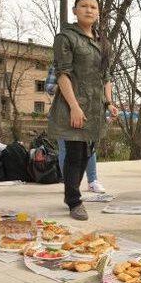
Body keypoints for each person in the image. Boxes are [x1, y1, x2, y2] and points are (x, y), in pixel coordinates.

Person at [47, 0, 118, 220]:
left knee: (87, 151)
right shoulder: (66, 37)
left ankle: (72, 194)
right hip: (74, 103)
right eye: (84, 6)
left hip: (96, 107)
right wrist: (74, 107)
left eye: (93, 7)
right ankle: (74, 201)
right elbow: (62, 74)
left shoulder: (102, 42)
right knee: (74, 152)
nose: (89, 10)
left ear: (98, 13)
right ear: (75, 10)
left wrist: (109, 102)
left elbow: (106, 75)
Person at [46, 65, 106, 193]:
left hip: (85, 113)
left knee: (89, 147)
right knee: (65, 149)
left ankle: (92, 181)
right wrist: (69, 89)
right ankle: (70, 184)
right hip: (63, 114)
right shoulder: (58, 64)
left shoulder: (87, 64)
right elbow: (49, 88)